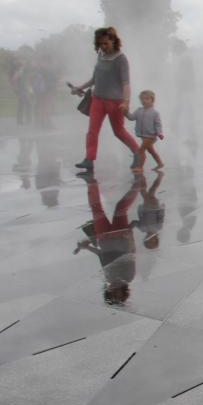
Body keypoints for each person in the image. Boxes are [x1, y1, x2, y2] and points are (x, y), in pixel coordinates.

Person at [69, 27, 142, 173]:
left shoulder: (121, 59)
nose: (103, 47)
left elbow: (126, 83)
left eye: (105, 43)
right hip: (98, 99)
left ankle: (137, 152)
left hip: (116, 102)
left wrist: (126, 101)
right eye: (100, 44)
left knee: (119, 131)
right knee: (92, 131)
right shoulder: (100, 55)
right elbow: (95, 79)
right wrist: (79, 87)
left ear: (114, 41)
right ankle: (89, 159)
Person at [75, 174, 142, 306]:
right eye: (118, 295)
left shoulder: (108, 277)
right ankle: (138, 184)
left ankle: (91, 182)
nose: (114, 292)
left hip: (104, 238)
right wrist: (129, 233)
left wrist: (86, 247)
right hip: (120, 236)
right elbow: (131, 253)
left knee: (96, 209)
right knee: (120, 207)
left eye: (112, 294)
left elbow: (102, 256)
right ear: (124, 293)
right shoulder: (128, 277)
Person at [127, 90, 164, 169]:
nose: (144, 101)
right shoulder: (139, 110)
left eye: (147, 99)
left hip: (151, 136)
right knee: (151, 151)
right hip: (143, 136)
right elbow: (131, 117)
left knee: (141, 151)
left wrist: (159, 133)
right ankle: (160, 163)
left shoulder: (155, 113)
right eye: (142, 99)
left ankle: (139, 167)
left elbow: (158, 124)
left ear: (152, 100)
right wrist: (125, 112)